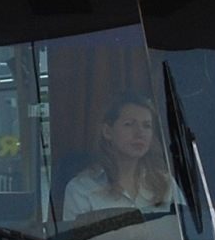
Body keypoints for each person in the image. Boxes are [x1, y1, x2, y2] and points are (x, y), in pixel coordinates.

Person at [66, 93, 180, 227]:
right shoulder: (81, 189)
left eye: (147, 126)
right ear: (107, 132)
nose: (140, 133)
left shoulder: (166, 183)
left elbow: (184, 234)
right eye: (129, 124)